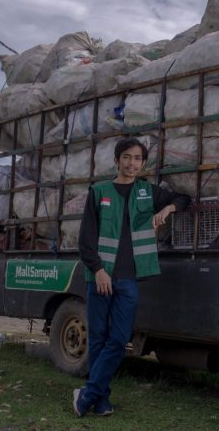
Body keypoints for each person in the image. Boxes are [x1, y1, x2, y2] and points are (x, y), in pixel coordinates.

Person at [73, 137, 190, 417]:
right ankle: (101, 401)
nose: (132, 163)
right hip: (99, 278)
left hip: (128, 279)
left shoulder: (147, 192)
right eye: (127, 157)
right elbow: (85, 240)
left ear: (143, 163)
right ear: (117, 160)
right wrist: (99, 270)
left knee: (119, 339)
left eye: (138, 158)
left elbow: (184, 198)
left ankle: (87, 394)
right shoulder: (99, 191)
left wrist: (167, 209)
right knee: (99, 338)